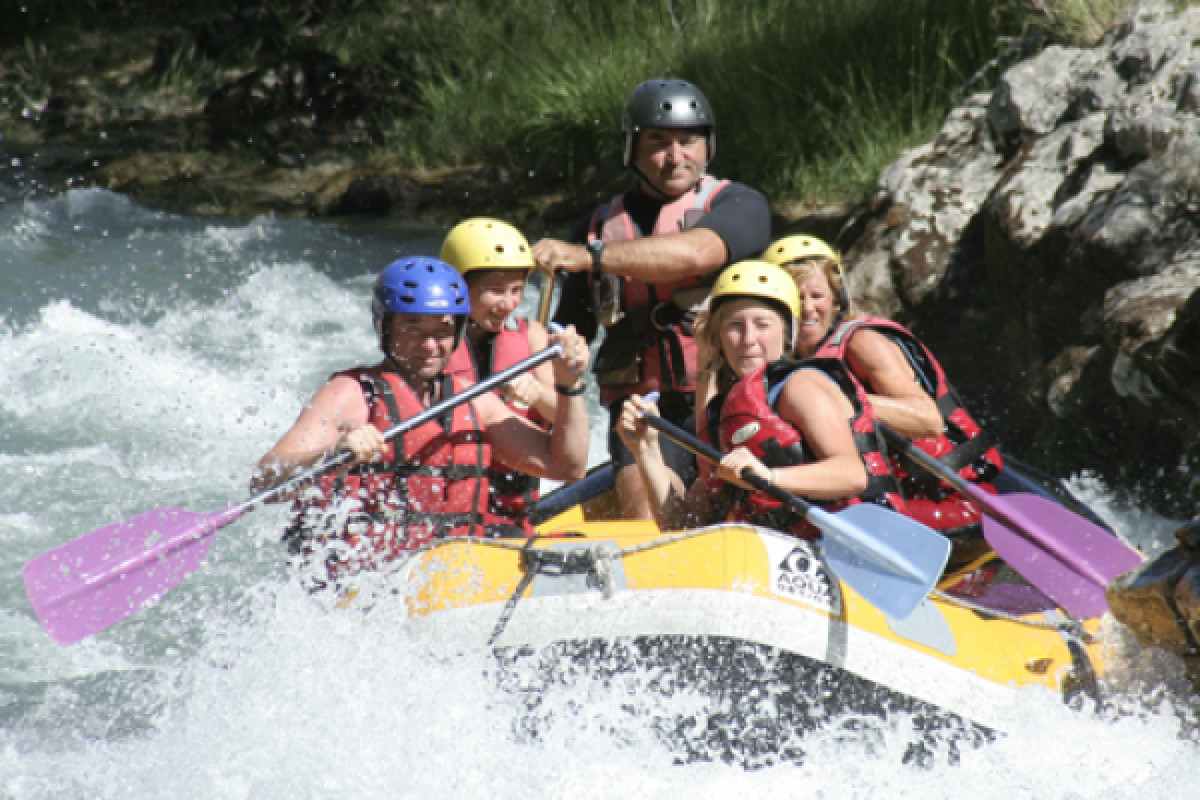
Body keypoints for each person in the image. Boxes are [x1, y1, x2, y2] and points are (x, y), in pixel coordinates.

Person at [253, 256, 591, 587]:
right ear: (385, 327)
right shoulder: (351, 394)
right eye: (414, 329)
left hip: (453, 579)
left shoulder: (473, 400)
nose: (430, 346)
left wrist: (569, 384)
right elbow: (264, 482)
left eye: (442, 331)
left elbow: (568, 467)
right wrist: (331, 455)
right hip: (368, 584)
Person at [533, 78, 772, 520]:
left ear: (708, 147)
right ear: (633, 150)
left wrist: (590, 258)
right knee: (645, 507)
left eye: (688, 141)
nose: (675, 156)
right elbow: (568, 336)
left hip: (732, 392)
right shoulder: (596, 226)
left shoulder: (741, 204)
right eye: (659, 142)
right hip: (642, 406)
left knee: (730, 502)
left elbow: (697, 253)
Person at [616, 260, 904, 536]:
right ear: (718, 336)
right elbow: (682, 525)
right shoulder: (726, 415)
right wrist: (646, 452)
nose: (748, 339)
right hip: (787, 560)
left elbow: (852, 474)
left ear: (787, 331)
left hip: (855, 545)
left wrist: (770, 478)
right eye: (734, 326)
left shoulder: (801, 386)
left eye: (762, 325)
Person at [761, 234, 1004, 537]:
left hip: (955, 502)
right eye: (796, 297)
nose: (808, 308)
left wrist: (841, 400)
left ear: (838, 300)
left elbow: (928, 419)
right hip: (892, 500)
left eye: (817, 296)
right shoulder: (777, 368)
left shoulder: (862, 343)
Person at [440, 217, 556, 531]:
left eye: (517, 290)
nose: (508, 304)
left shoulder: (532, 335)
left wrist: (537, 394)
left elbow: (563, 414)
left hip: (512, 504)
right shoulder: (432, 342)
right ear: (458, 287)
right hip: (448, 503)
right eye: (495, 291)